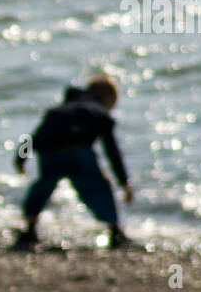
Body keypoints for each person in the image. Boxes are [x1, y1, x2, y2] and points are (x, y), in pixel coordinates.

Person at [13, 73, 134, 250]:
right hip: (77, 152)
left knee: (42, 188)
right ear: (107, 98)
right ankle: (114, 231)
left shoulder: (58, 110)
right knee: (100, 188)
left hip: (49, 153)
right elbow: (112, 151)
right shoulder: (99, 112)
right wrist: (124, 182)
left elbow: (33, 137)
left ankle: (29, 229)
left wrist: (20, 159)